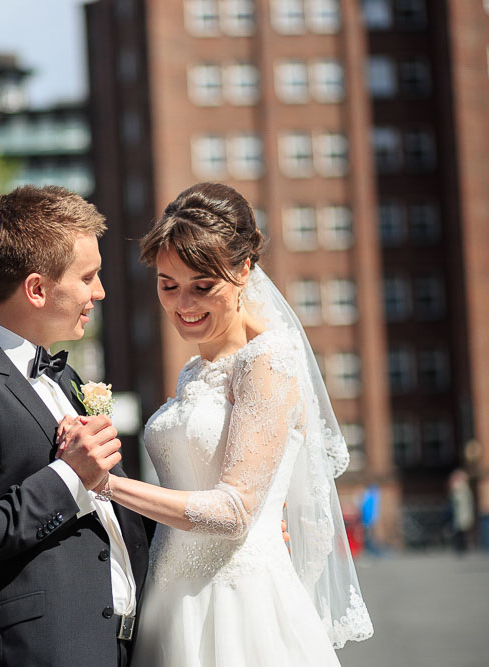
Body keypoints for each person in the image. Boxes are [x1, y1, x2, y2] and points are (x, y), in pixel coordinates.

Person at [59, 182, 373, 665]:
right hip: (168, 599)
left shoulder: (268, 360)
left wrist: (103, 484)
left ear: (244, 269)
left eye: (202, 286)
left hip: (239, 606)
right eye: (169, 285)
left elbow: (234, 512)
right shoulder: (193, 371)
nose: (184, 304)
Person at [0, 185, 151, 667]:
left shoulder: (68, 377)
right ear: (37, 289)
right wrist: (67, 478)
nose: (99, 292)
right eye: (88, 277)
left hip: (129, 648)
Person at [448, 469, 475, 553]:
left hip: (462, 514)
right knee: (460, 531)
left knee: (462, 531)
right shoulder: (461, 489)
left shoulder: (461, 489)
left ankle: (462, 547)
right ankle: (461, 547)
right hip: (459, 514)